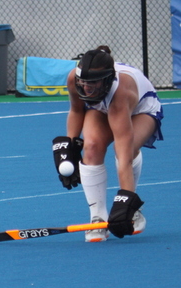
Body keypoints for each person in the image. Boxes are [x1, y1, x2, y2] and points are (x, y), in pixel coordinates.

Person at [54, 46, 163, 242]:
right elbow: (77, 111)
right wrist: (70, 145)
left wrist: (125, 201)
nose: (86, 88)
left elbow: (123, 158)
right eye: (83, 82)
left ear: (106, 80)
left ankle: (134, 209)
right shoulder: (74, 79)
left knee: (126, 150)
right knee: (92, 147)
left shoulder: (122, 92)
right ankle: (97, 218)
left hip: (141, 110)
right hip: (102, 106)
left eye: (92, 83)